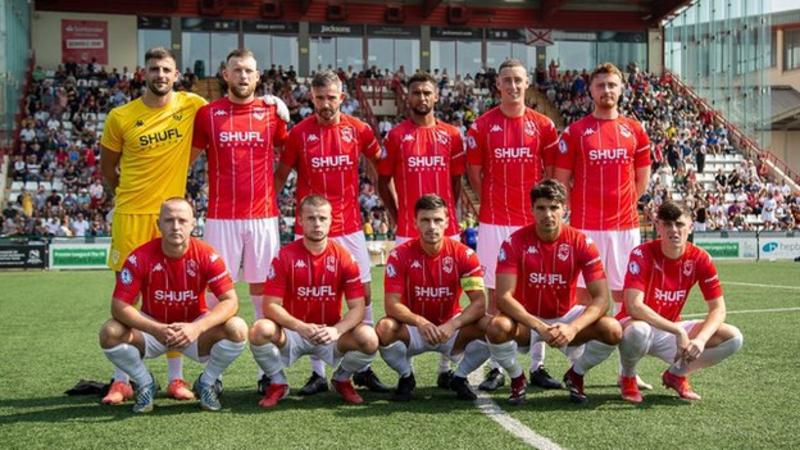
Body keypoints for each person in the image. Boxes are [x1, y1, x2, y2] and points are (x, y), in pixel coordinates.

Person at [100, 47, 207, 403]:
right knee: (127, 297)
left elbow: (230, 111)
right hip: (131, 215)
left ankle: (176, 379)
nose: (160, 75)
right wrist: (126, 195)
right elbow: (107, 169)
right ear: (143, 73)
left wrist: (271, 101)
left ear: (176, 74)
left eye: (166, 69)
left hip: (170, 216)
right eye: (153, 69)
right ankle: (123, 380)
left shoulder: (192, 105)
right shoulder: (120, 116)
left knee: (175, 295)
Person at [274, 70, 389, 394]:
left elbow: (382, 167)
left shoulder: (359, 129)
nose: (325, 104)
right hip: (310, 227)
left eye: (331, 98)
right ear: (311, 98)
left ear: (342, 98)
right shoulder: (299, 134)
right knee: (312, 297)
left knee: (363, 294)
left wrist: (392, 204)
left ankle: (362, 367)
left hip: (349, 227)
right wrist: (269, 213)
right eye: (319, 98)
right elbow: (281, 175)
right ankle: (317, 373)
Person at [191, 48, 289, 394]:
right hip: (221, 219)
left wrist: (286, 115)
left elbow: (290, 153)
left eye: (249, 71)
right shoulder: (208, 115)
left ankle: (269, 372)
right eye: (237, 70)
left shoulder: (271, 113)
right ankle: (212, 375)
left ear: (258, 76)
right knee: (216, 297)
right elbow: (187, 159)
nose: (243, 76)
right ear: (225, 74)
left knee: (265, 295)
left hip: (263, 218)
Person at [554, 62, 653, 390]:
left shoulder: (635, 130)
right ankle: (577, 366)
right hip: (586, 229)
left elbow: (641, 181)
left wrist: (621, 207)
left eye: (612, 85)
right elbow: (561, 181)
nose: (606, 90)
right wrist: (582, 212)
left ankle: (628, 369)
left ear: (621, 89)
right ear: (590, 91)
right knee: (583, 297)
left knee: (628, 298)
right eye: (600, 85)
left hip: (625, 229)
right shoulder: (576, 132)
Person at [98, 198, 248, 413]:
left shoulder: (208, 255)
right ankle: (145, 383)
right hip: (153, 329)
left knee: (238, 328)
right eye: (169, 220)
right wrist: (156, 329)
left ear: (193, 224)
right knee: (110, 332)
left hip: (193, 330)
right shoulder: (139, 257)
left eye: (182, 220)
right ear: (158, 224)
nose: (176, 226)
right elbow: (119, 306)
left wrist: (197, 328)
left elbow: (231, 301)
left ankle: (207, 382)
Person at [466, 58, 561, 391]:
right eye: (506, 80)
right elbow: (475, 173)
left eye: (518, 80)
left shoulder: (544, 126)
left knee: (537, 292)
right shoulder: (481, 126)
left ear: (527, 84)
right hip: (494, 223)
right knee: (494, 296)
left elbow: (551, 175)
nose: (513, 86)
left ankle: (537, 365)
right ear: (498, 85)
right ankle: (497, 367)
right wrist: (492, 203)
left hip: (531, 222)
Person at [486, 179, 622, 405]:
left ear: (564, 209)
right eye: (541, 208)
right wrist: (539, 326)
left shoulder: (582, 242)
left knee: (613, 329)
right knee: (497, 327)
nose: (547, 214)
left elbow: (602, 299)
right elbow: (503, 297)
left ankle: (576, 374)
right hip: (528, 321)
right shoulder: (514, 242)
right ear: (532, 209)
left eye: (554, 207)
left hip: (566, 317)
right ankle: (517, 377)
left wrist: (573, 327)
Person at [377, 72, 466, 385]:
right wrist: (398, 214)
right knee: (408, 294)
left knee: (450, 292)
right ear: (408, 97)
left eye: (427, 92)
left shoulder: (452, 135)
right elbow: (383, 180)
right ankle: (408, 370)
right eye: (416, 92)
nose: (422, 98)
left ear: (436, 96)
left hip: (447, 229)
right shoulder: (396, 136)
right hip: (407, 228)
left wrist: (447, 216)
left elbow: (456, 181)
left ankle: (445, 368)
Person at [249, 195, 379, 408]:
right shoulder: (284, 256)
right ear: (300, 220)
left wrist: (337, 330)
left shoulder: (345, 258)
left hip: (330, 333)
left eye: (322, 218)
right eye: (311, 218)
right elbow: (270, 305)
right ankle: (278, 382)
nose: (317, 224)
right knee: (259, 330)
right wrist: (300, 326)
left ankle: (342, 379)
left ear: (331, 221)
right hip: (293, 333)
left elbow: (358, 307)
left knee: (369, 338)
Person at [617, 201, 743, 403]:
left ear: (690, 227)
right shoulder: (641, 253)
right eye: (667, 224)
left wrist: (701, 340)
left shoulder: (701, 258)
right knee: (639, 331)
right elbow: (633, 306)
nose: (674, 230)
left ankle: (676, 374)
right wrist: (678, 331)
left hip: (669, 330)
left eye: (679, 224)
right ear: (658, 227)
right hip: (636, 325)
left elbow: (718, 309)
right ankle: (628, 376)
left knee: (733, 338)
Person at [377, 194, 490, 401]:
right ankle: (406, 376)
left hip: (450, 328)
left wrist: (453, 325)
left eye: (438, 220)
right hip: (414, 329)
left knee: (492, 326)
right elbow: (391, 304)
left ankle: (459, 377)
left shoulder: (464, 255)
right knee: (384, 328)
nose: (432, 226)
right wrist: (419, 322)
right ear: (415, 223)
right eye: (425, 220)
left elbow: (479, 303)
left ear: (447, 222)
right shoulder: (399, 255)